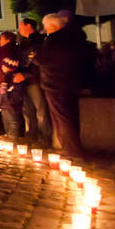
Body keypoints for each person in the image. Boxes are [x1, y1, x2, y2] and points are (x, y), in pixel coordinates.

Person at [38, 13, 86, 159]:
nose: (45, 30)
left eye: (46, 27)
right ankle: (72, 149)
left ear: (51, 26)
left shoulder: (54, 40)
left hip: (55, 83)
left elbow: (44, 59)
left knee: (62, 118)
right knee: (69, 116)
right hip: (70, 82)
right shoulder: (72, 38)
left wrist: (35, 58)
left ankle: (72, 151)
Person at [15, 18, 52, 146]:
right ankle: (31, 134)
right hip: (23, 80)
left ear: (29, 25)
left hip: (34, 79)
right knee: (27, 110)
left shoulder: (38, 41)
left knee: (40, 109)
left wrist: (26, 75)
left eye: (21, 25)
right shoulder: (23, 43)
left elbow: (38, 63)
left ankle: (44, 138)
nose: (19, 28)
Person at [0, 31, 23, 140]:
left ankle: (13, 135)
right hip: (3, 83)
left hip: (8, 84)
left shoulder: (9, 49)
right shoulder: (3, 50)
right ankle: (8, 133)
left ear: (8, 39)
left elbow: (11, 64)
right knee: (4, 108)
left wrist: (5, 69)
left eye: (1, 39)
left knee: (10, 109)